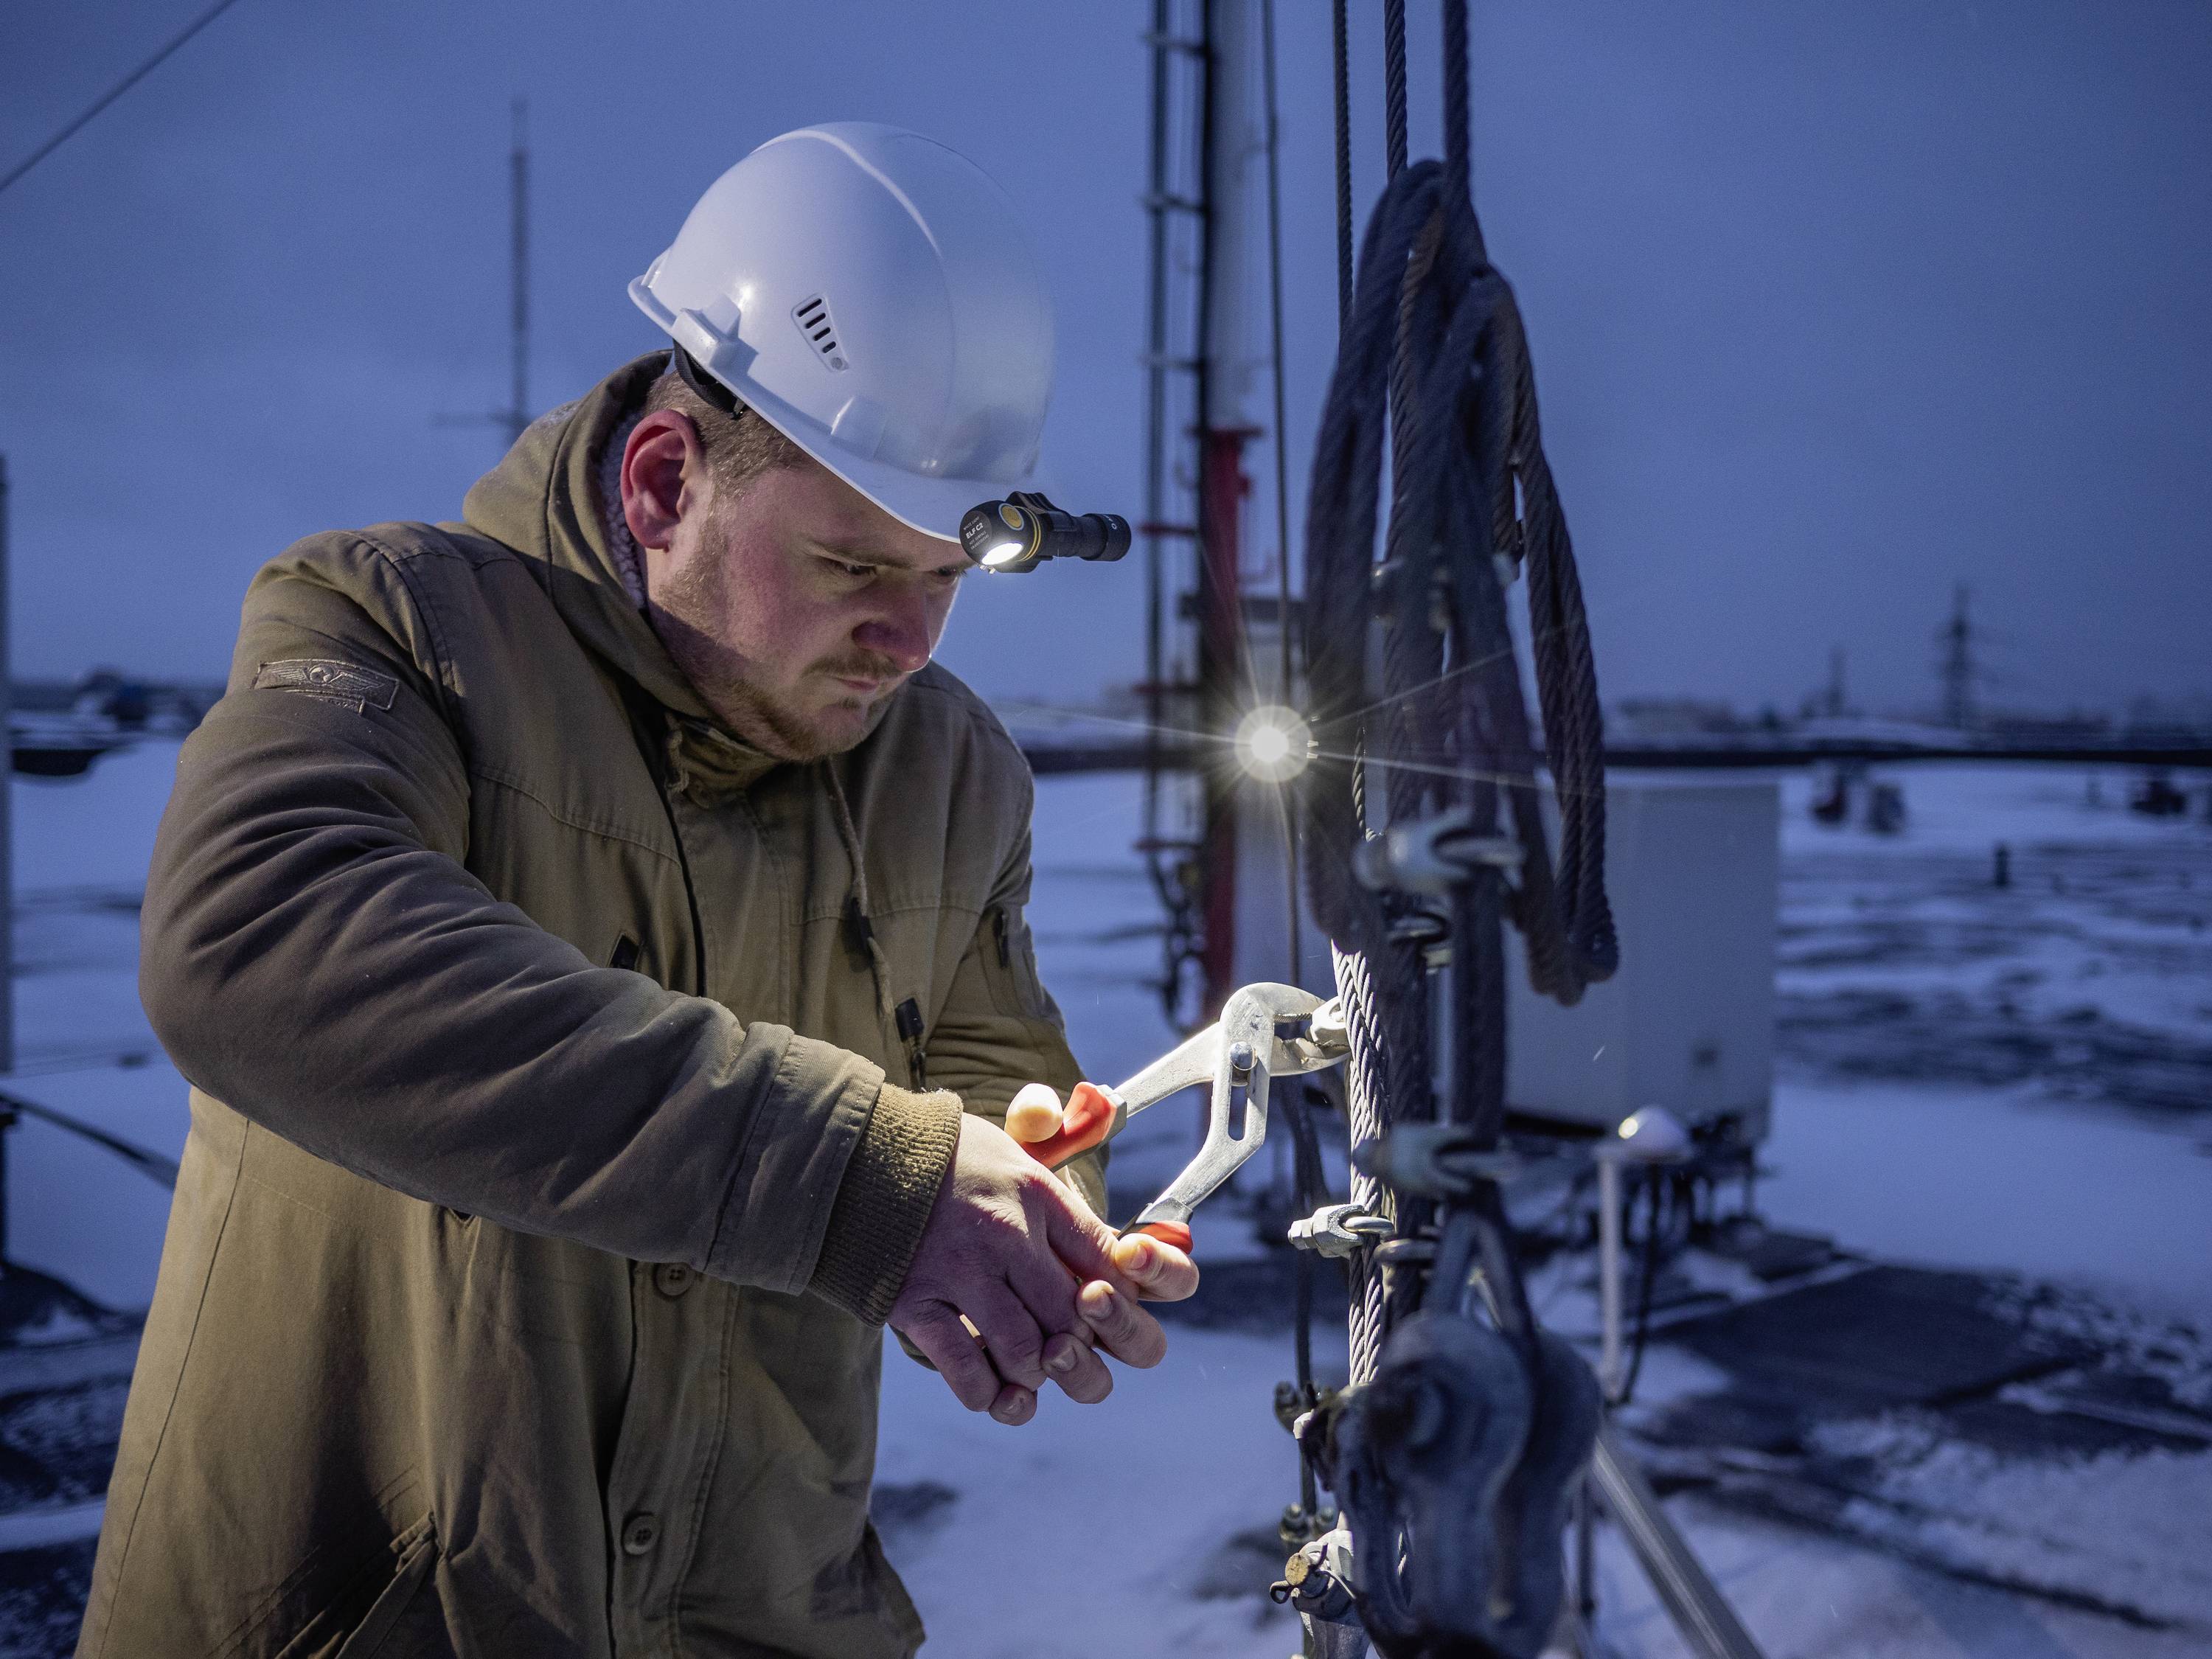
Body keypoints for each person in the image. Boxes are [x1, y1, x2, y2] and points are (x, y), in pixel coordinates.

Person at [75, 123, 1196, 1659]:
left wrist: (1040, 1213)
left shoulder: (951, 772)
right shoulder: (396, 633)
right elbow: (255, 935)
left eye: (947, 577)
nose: (915, 642)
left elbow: (998, 1081)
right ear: (667, 482)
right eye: (862, 570)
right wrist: (855, 1182)